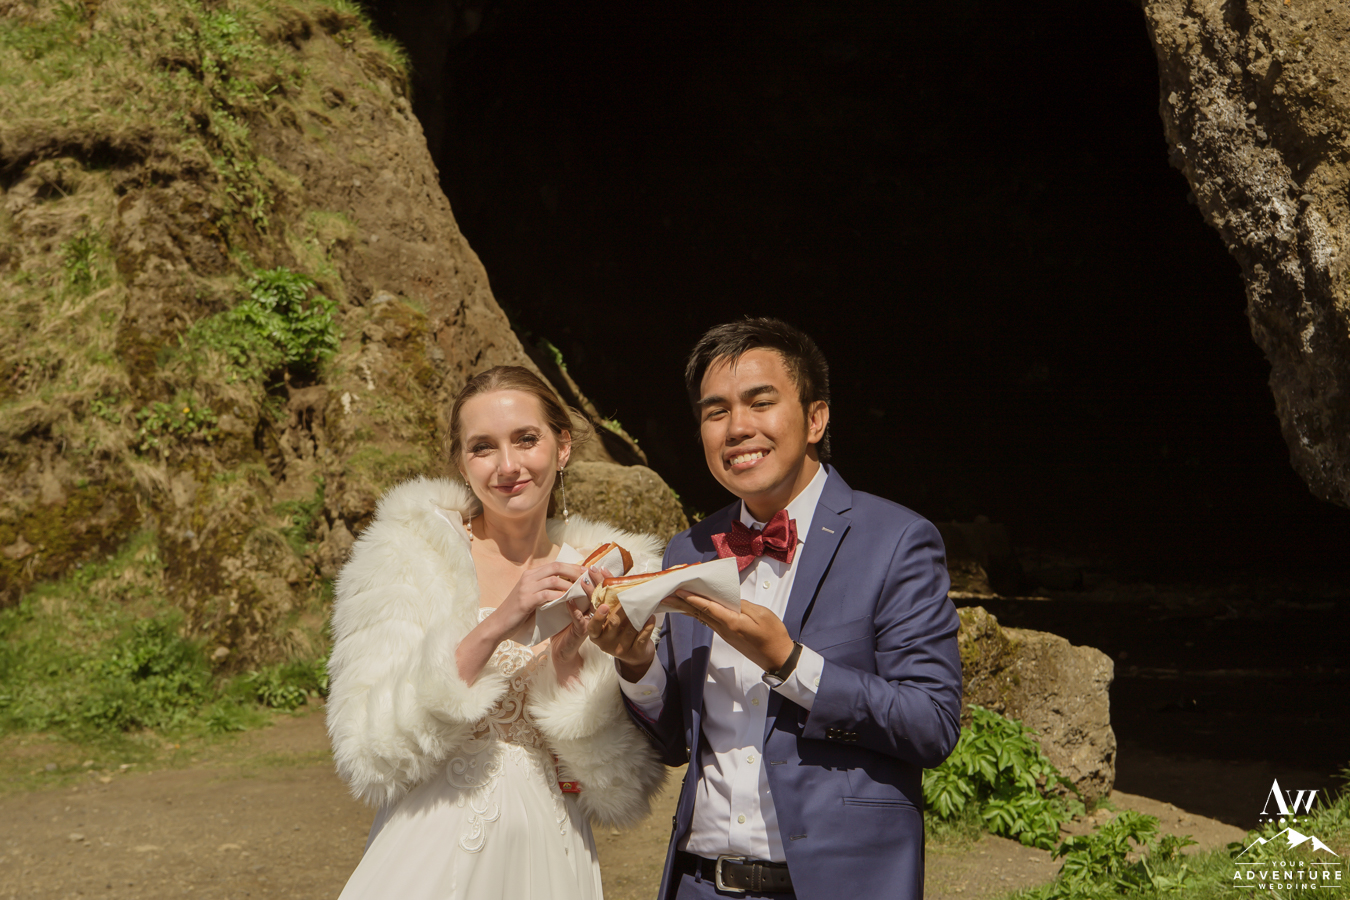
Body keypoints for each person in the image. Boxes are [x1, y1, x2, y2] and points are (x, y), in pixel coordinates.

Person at [587, 318, 963, 900]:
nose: (738, 427)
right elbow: (675, 743)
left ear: (816, 419)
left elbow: (931, 724)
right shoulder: (689, 549)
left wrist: (790, 663)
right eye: (716, 412)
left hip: (837, 886)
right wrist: (635, 663)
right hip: (700, 883)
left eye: (760, 403)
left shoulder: (896, 540)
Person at [326, 365, 667, 900]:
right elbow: (368, 750)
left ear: (563, 447)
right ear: (462, 463)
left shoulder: (608, 572)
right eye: (483, 447)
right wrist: (498, 622)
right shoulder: (406, 554)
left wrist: (567, 665)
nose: (508, 466)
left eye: (526, 439)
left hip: (554, 843)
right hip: (434, 841)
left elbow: (624, 784)